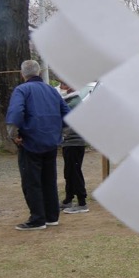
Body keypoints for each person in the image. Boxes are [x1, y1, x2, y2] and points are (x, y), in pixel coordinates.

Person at [5, 60, 70, 230]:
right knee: (49, 180)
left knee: (31, 182)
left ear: (22, 74)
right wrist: (58, 132)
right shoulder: (51, 90)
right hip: (51, 143)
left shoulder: (22, 90)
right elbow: (67, 114)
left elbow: (16, 113)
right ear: (39, 72)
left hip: (30, 143)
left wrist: (14, 135)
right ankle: (52, 216)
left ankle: (38, 219)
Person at [57, 81, 89, 214]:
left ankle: (82, 202)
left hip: (74, 142)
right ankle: (68, 199)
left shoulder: (73, 103)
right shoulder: (69, 101)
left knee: (74, 172)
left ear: (70, 87)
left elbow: (64, 122)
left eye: (62, 85)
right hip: (69, 142)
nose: (60, 88)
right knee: (69, 171)